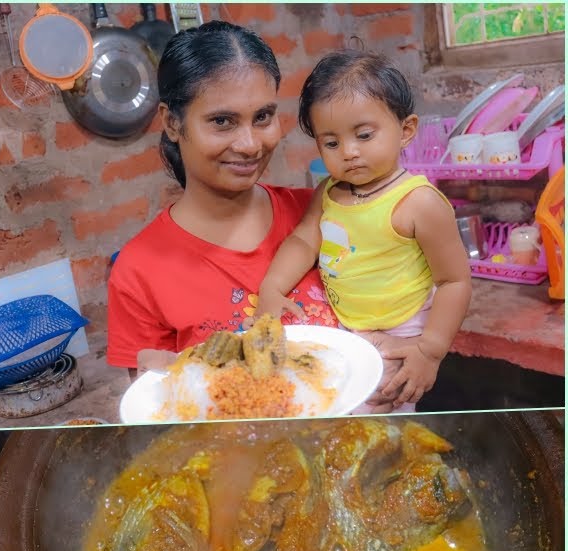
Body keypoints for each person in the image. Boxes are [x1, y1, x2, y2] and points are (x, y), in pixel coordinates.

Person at [106, 21, 338, 380]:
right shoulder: (139, 272)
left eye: (263, 117)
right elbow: (161, 408)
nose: (249, 144)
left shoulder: (321, 214)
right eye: (222, 121)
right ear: (171, 123)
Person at [254, 51, 472, 411]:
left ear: (406, 130)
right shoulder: (328, 192)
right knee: (334, 403)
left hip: (403, 333)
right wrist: (272, 289)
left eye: (364, 135)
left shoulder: (418, 203)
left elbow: (454, 282)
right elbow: (305, 240)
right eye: (332, 143)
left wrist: (430, 351)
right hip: (348, 327)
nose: (349, 152)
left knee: (378, 411)